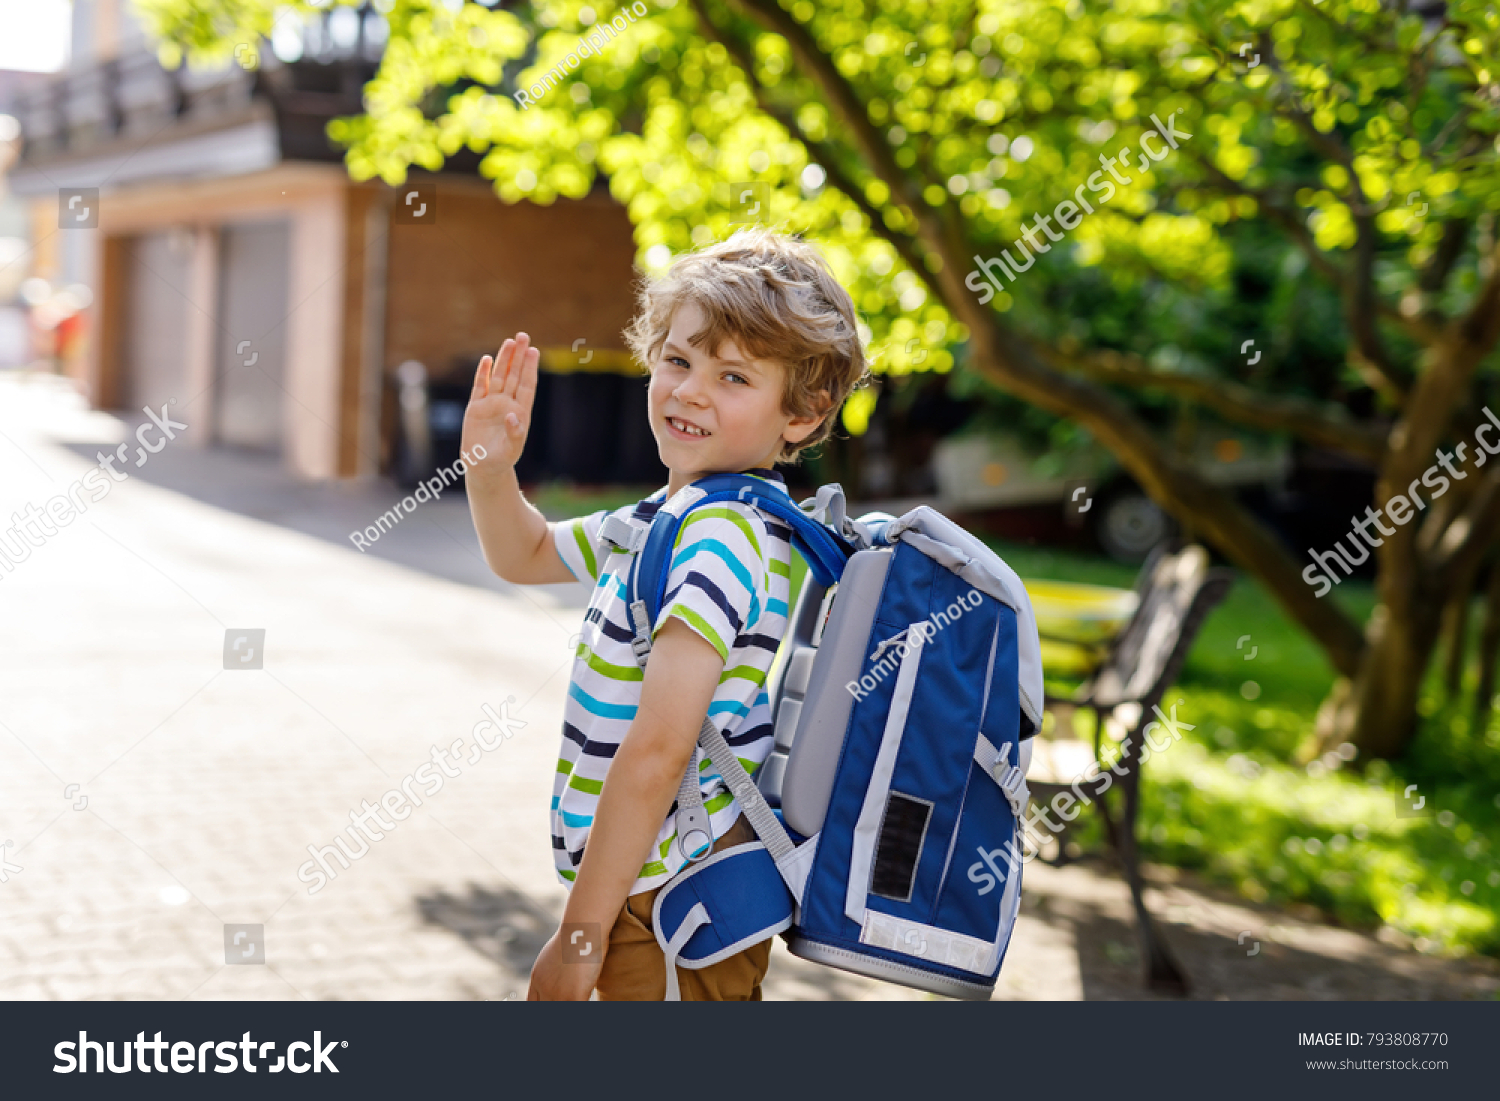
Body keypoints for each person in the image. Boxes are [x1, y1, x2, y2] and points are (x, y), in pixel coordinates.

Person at [462, 227, 869, 1000]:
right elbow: (528, 554)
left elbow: (659, 750)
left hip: (667, 899)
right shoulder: (677, 512)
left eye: (733, 377)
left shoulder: (719, 535)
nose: (688, 390)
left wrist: (579, 937)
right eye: (677, 361)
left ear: (806, 414)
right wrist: (492, 469)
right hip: (651, 881)